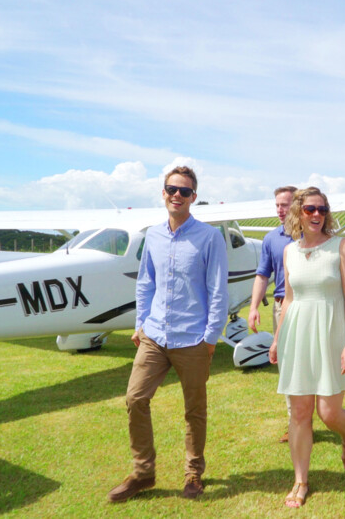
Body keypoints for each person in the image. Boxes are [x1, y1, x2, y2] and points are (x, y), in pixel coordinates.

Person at [108, 166, 229, 503]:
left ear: (193, 197)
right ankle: (143, 473)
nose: (177, 195)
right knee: (135, 398)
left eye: (185, 191)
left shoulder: (209, 237)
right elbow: (146, 281)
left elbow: (217, 290)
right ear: (163, 193)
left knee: (194, 410)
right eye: (172, 189)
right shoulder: (153, 236)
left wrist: (210, 338)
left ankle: (193, 473)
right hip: (155, 334)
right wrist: (140, 324)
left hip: (192, 338)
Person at [268, 187, 345, 509]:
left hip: (331, 332)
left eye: (322, 209)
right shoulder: (289, 252)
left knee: (327, 412)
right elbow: (289, 299)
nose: (317, 215)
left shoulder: (341, 247)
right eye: (310, 209)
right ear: (299, 212)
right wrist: (277, 338)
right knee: (299, 413)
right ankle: (300, 480)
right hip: (296, 333)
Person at [248, 185, 297, 443]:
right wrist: (254, 306)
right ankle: (295, 423)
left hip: (309, 305)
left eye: (286, 204)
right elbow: (262, 275)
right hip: (281, 306)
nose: (281, 209)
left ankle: (309, 418)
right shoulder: (271, 239)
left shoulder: (312, 236)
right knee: (287, 366)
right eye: (277, 205)